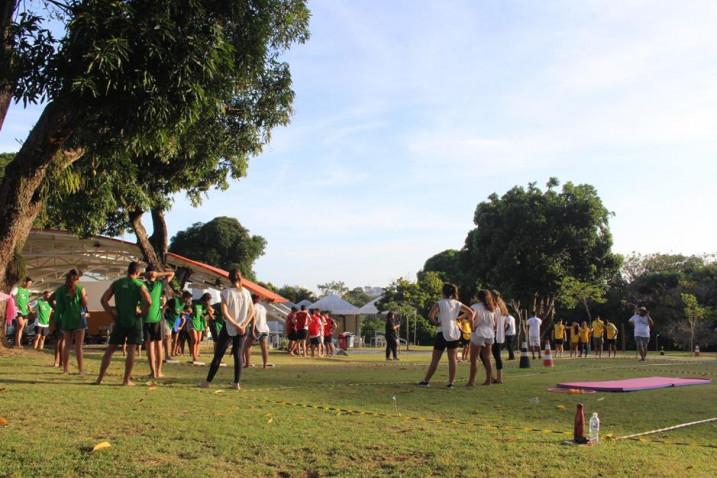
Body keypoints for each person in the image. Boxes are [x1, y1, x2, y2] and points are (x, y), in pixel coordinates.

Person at [96, 262, 152, 385]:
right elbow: (149, 301)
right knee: (131, 350)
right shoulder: (139, 284)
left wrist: (112, 315)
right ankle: (126, 380)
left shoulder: (117, 283)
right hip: (134, 321)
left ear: (128, 271)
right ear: (137, 273)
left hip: (120, 320)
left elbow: (103, 300)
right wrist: (142, 313)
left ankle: (99, 379)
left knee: (110, 349)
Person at [200, 268, 255, 390]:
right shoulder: (247, 293)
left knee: (218, 355)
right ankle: (236, 383)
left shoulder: (226, 293)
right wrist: (243, 325)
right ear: (241, 278)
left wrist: (236, 325)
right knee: (238, 355)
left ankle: (207, 382)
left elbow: (225, 313)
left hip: (230, 327)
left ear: (229, 279)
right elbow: (252, 311)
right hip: (242, 328)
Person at [418, 283, 474, 388]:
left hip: (442, 332)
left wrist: (436, 323)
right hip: (454, 333)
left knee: (435, 359)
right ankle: (451, 383)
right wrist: (460, 318)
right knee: (453, 359)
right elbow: (471, 312)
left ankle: (426, 381)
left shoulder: (439, 303)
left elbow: (431, 316)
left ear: (443, 292)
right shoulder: (457, 303)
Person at [51, 269, 88, 375]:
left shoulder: (61, 289)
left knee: (67, 346)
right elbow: (84, 304)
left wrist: (56, 308)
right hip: (78, 320)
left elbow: (50, 300)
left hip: (66, 319)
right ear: (76, 279)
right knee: (78, 347)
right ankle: (81, 370)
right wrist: (84, 297)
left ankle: (65, 370)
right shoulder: (80, 288)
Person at [142, 267, 175, 378]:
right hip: (157, 319)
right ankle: (159, 371)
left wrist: (147, 274)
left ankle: (152, 372)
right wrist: (159, 274)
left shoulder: (141, 285)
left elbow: (135, 275)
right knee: (159, 345)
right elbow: (171, 273)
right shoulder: (159, 284)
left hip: (146, 318)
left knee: (150, 347)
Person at [467, 290, 496, 387]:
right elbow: (494, 323)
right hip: (490, 332)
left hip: (479, 331)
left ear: (478, 297)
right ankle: (488, 380)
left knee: (474, 359)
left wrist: (472, 328)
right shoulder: (491, 308)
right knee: (487, 358)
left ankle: (471, 381)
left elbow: (471, 318)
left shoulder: (475, 307)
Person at [249, 294, 271, 368]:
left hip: (257, 329)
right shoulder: (263, 307)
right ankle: (265, 365)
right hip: (265, 329)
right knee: (264, 348)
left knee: (246, 346)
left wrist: (252, 331)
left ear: (252, 299)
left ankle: (247, 364)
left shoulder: (252, 307)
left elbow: (253, 320)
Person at [189, 293, 213, 364]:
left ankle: (196, 355)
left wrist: (207, 316)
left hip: (200, 323)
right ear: (205, 299)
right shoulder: (195, 302)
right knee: (195, 340)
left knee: (199, 340)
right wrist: (190, 311)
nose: (209, 302)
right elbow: (189, 308)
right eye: (208, 300)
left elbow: (205, 314)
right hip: (193, 321)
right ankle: (194, 357)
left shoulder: (206, 306)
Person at [492, 292, 509, 383]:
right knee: (497, 356)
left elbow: (493, 323)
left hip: (494, 335)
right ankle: (499, 378)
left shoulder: (495, 308)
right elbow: (506, 324)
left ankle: (492, 376)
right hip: (500, 336)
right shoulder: (503, 308)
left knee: (484, 356)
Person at [163, 290, 183, 362]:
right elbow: (164, 308)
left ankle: (167, 355)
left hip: (172, 322)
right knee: (167, 338)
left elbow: (178, 311)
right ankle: (167, 355)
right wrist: (163, 316)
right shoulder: (173, 300)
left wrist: (183, 312)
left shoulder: (181, 303)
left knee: (168, 338)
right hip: (166, 320)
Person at [13, 277, 32, 347]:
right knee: (21, 325)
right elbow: (11, 296)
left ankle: (17, 343)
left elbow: (27, 301)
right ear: (24, 282)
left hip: (25, 311)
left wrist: (29, 307)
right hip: (18, 310)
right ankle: (17, 343)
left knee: (20, 328)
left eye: (30, 284)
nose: (30, 285)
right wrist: (14, 305)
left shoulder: (27, 291)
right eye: (29, 283)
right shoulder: (17, 289)